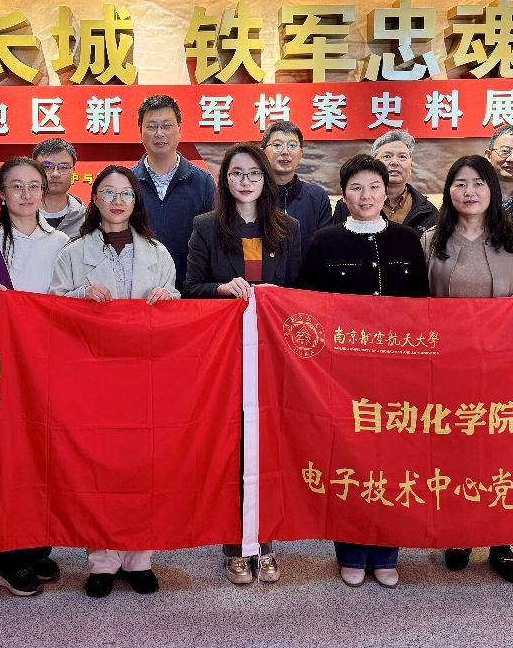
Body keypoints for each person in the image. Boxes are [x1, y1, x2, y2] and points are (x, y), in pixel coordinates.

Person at [48, 165, 180, 598]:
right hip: (94, 375)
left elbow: (177, 305)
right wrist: (80, 296)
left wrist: (168, 298)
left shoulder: (158, 252)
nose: (117, 201)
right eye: (108, 192)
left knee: (144, 467)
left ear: (136, 201)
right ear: (95, 199)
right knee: (98, 468)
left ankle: (139, 558)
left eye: (126, 193)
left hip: (145, 375)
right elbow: (51, 308)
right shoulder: (72, 251)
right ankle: (102, 560)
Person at [298, 155, 429, 589]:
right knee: (349, 463)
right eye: (356, 188)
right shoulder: (325, 241)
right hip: (343, 376)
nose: (366, 195)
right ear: (344, 194)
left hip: (398, 375)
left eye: (374, 187)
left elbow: (423, 308)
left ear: (386, 191)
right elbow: (309, 309)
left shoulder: (407, 240)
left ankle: (387, 552)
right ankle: (351, 552)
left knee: (394, 464)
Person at [183, 143, 302, 586]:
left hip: (272, 354)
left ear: (265, 179)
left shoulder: (288, 228)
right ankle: (235, 545)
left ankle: (265, 542)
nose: (245, 181)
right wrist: (220, 288)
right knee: (235, 448)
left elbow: (299, 291)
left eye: (253, 173)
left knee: (268, 447)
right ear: (225, 180)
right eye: (236, 173)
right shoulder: (206, 227)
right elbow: (189, 286)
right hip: (227, 355)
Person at [419, 155, 513, 585]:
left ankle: (501, 543)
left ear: (492, 189)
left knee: (501, 454)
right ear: (448, 191)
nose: (469, 191)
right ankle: (459, 534)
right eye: (460, 183)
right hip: (447, 368)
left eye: (478, 183)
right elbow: (414, 302)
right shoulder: (431, 240)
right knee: (455, 453)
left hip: (502, 367)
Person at [0, 157, 69, 598]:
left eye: (34, 186)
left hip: (49, 368)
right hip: (1, 373)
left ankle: (37, 545)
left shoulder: (63, 244)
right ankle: (3, 558)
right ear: (1, 194)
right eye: (16, 186)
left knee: (44, 459)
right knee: (5, 461)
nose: (26, 194)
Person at [130, 94, 215, 290]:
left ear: (179, 130)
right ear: (140, 131)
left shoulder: (203, 182)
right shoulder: (127, 182)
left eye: (167, 125)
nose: (159, 133)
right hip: (138, 290)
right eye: (151, 126)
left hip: (190, 289)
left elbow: (214, 240)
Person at [332, 130, 435, 230]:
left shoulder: (428, 210)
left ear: (411, 167)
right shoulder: (347, 205)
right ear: (373, 164)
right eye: (387, 156)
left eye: (402, 156)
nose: (395, 162)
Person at [259, 120, 332, 253]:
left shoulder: (317, 197)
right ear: (263, 152)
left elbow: (325, 248)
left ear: (301, 154)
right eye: (277, 145)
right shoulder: (253, 196)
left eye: (292, 145)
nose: (285, 152)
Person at [32, 137, 86, 237]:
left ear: (73, 171)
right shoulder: (19, 216)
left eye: (63, 167)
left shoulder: (87, 220)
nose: (55, 174)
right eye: (47, 167)